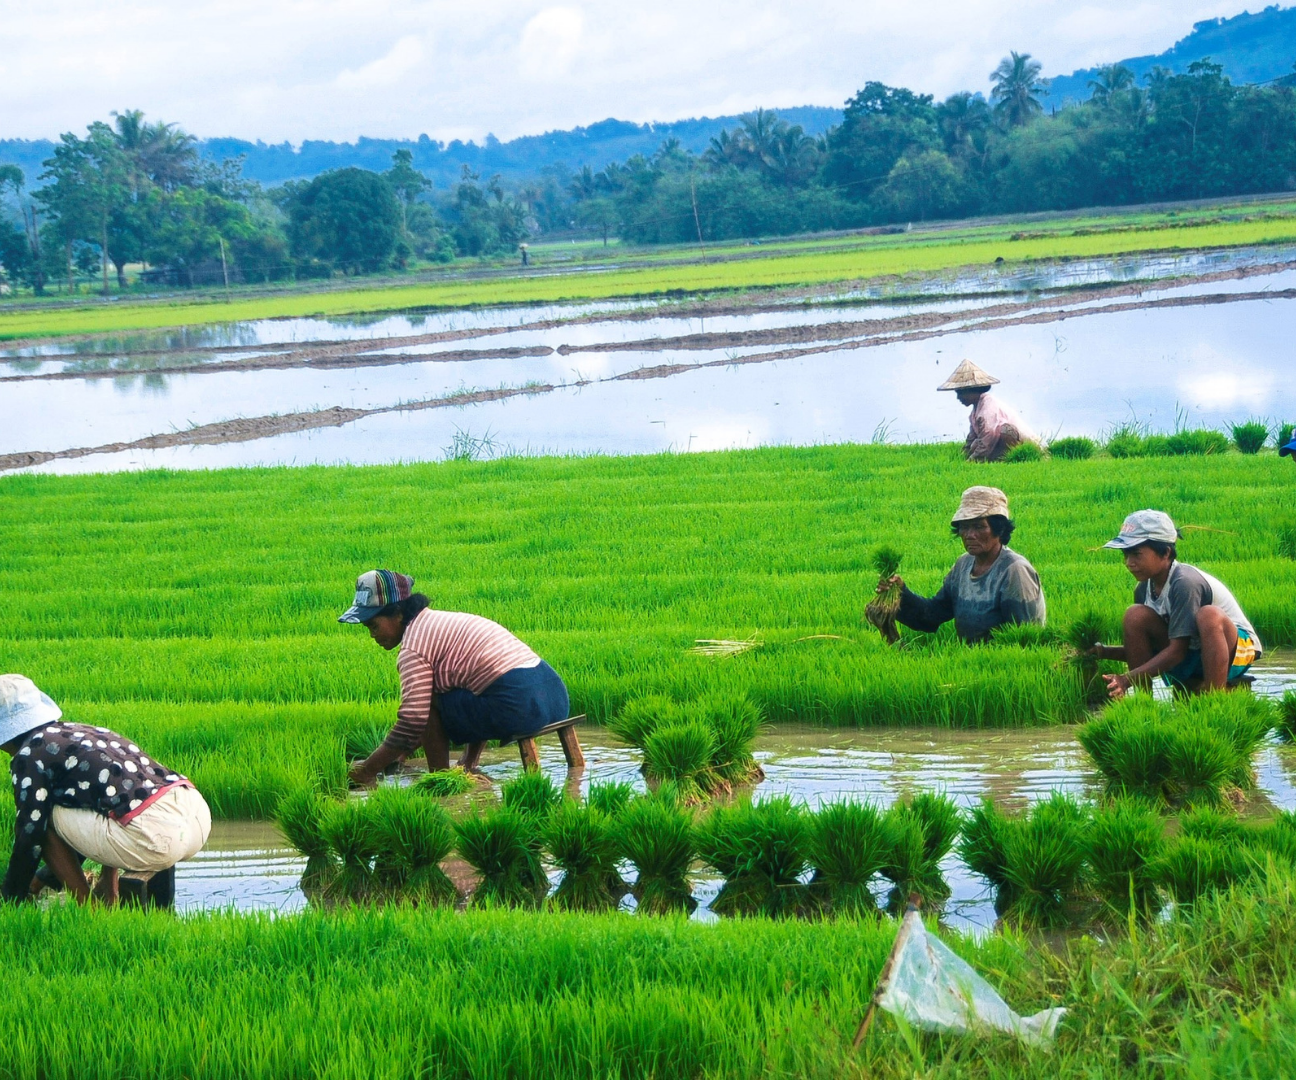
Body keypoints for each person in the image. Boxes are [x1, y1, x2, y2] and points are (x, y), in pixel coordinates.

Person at [341, 569, 570, 786]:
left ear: (398, 613)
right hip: (555, 698)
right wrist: (400, 754)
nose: (372, 635)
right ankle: (468, 764)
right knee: (458, 691)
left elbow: (413, 720)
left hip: (519, 705)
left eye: (373, 625)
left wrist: (367, 770)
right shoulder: (439, 621)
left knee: (429, 703)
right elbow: (476, 686)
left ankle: (441, 780)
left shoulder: (413, 647)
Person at [0, 673, 211, 906]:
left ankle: (90, 908)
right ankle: (109, 893)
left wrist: (11, 897)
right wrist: (42, 879)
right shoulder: (79, 732)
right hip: (194, 816)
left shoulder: (29, 754)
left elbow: (31, 831)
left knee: (42, 817)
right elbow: (109, 801)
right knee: (96, 800)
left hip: (154, 836)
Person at [1090, 510, 1261, 698]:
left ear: (1166, 553)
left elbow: (1177, 651)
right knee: (1134, 614)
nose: (1129, 563)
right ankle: (1143, 703)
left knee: (1209, 615)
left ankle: (1214, 697)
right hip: (1195, 652)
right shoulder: (1143, 588)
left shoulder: (1185, 582)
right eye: (1126, 555)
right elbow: (1148, 651)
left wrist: (1127, 678)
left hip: (1236, 653)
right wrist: (1102, 651)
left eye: (1137, 554)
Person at [884, 486, 1046, 643]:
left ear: (999, 529)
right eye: (965, 527)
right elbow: (931, 616)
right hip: (970, 662)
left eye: (979, 526)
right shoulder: (963, 565)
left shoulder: (1014, 571)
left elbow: (1025, 639)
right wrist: (899, 593)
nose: (970, 535)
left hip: (1000, 665)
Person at [938, 360, 1038, 462]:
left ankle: (1012, 459)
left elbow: (988, 438)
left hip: (1024, 443)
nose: (958, 398)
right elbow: (972, 438)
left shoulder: (988, 409)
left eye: (961, 393)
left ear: (973, 391)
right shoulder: (975, 412)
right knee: (975, 443)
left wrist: (972, 460)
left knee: (1005, 430)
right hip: (999, 442)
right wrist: (963, 455)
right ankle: (998, 460)